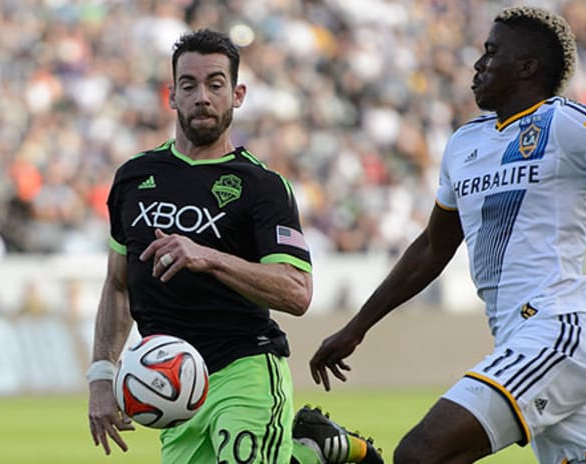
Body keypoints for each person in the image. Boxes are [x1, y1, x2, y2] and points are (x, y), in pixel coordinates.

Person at [309, 6, 586, 464]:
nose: (477, 64)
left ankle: (358, 456)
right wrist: (357, 327)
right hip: (519, 336)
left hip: (560, 329)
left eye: (491, 52)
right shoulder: (463, 144)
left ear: (527, 66)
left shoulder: (568, 122)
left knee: (421, 454)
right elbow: (432, 249)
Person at [86, 29, 382, 464]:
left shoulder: (262, 187)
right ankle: (314, 453)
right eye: (189, 85)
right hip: (175, 385)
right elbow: (117, 286)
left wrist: (208, 257)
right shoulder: (133, 178)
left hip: (245, 365)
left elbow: (297, 291)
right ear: (172, 96)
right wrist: (100, 376)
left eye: (215, 84)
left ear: (238, 94)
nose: (201, 96)